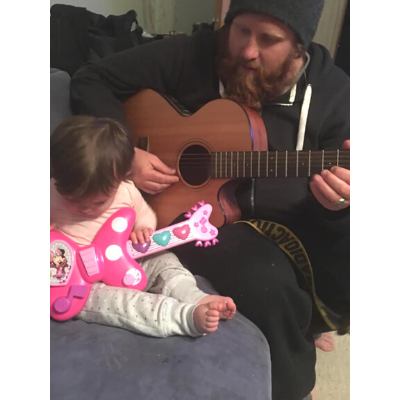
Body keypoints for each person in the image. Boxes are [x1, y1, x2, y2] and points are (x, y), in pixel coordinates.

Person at [70, 0, 350, 399]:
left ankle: (312, 318)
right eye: (240, 31)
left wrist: (339, 203)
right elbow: (91, 78)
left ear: (299, 47)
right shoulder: (196, 52)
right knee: (265, 282)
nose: (248, 51)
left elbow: (344, 198)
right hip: (203, 219)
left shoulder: (335, 92)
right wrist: (126, 153)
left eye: (269, 39)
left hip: (298, 217)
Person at [50, 115, 237, 338]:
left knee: (165, 261)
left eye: (99, 202)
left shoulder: (126, 191)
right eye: (74, 200)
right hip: (79, 284)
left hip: (125, 259)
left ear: (120, 179)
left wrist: (143, 227)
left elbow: (145, 214)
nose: (86, 209)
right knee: (120, 303)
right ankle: (183, 317)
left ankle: (194, 297)